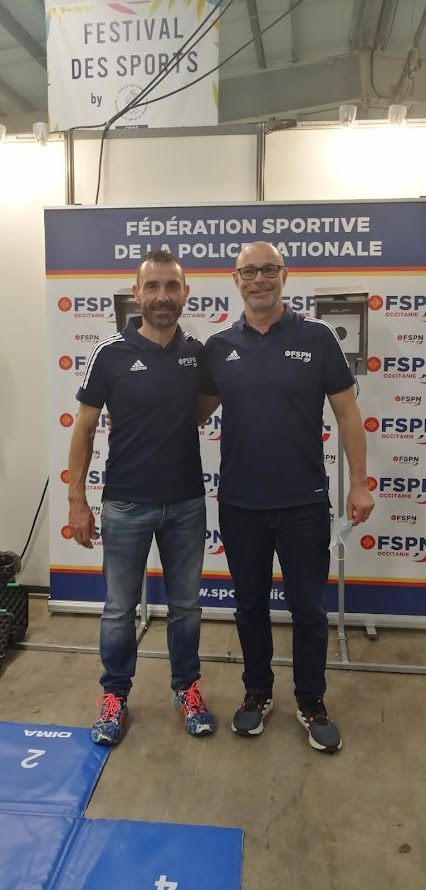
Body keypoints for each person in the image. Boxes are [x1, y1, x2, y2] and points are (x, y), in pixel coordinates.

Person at [198, 241, 374, 753]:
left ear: (284, 275)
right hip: (240, 504)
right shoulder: (218, 347)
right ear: (236, 280)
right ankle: (257, 693)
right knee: (249, 606)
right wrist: (135, 410)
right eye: (249, 271)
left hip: (304, 504)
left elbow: (347, 413)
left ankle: (311, 700)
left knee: (309, 610)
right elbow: (192, 413)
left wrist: (359, 482)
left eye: (268, 270)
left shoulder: (318, 338)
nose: (260, 279)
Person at [67, 249, 215, 745]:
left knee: (186, 606)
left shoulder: (197, 354)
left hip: (186, 504)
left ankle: (187, 689)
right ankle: (114, 696)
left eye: (172, 286)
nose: (162, 296)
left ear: (185, 293)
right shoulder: (109, 353)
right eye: (152, 286)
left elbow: (198, 410)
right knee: (118, 609)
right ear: (137, 294)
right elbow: (83, 429)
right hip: (125, 504)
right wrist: (77, 502)